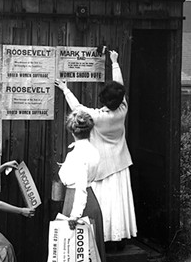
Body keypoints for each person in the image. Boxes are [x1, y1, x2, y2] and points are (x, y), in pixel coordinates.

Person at [55, 50, 137, 248]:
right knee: (119, 205)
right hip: (120, 164)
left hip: (102, 168)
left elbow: (77, 108)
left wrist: (65, 89)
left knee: (104, 205)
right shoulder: (122, 108)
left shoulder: (98, 117)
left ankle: (104, 240)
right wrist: (114, 62)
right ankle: (119, 239)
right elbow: (120, 87)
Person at [58, 109, 108, 262]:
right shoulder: (93, 150)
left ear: (72, 131)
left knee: (78, 248)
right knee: (88, 248)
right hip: (91, 199)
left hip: (78, 201)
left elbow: (80, 187)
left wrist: (74, 215)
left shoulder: (77, 154)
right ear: (90, 130)